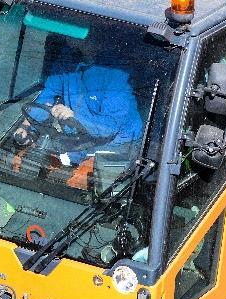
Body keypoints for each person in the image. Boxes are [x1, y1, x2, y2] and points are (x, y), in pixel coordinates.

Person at [12, 32, 143, 189]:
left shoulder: (116, 75)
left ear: (96, 42)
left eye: (76, 39)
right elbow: (47, 95)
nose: (70, 42)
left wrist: (75, 117)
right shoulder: (67, 61)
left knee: (88, 188)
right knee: (27, 165)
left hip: (117, 144)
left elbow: (111, 128)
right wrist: (27, 125)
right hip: (78, 135)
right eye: (70, 39)